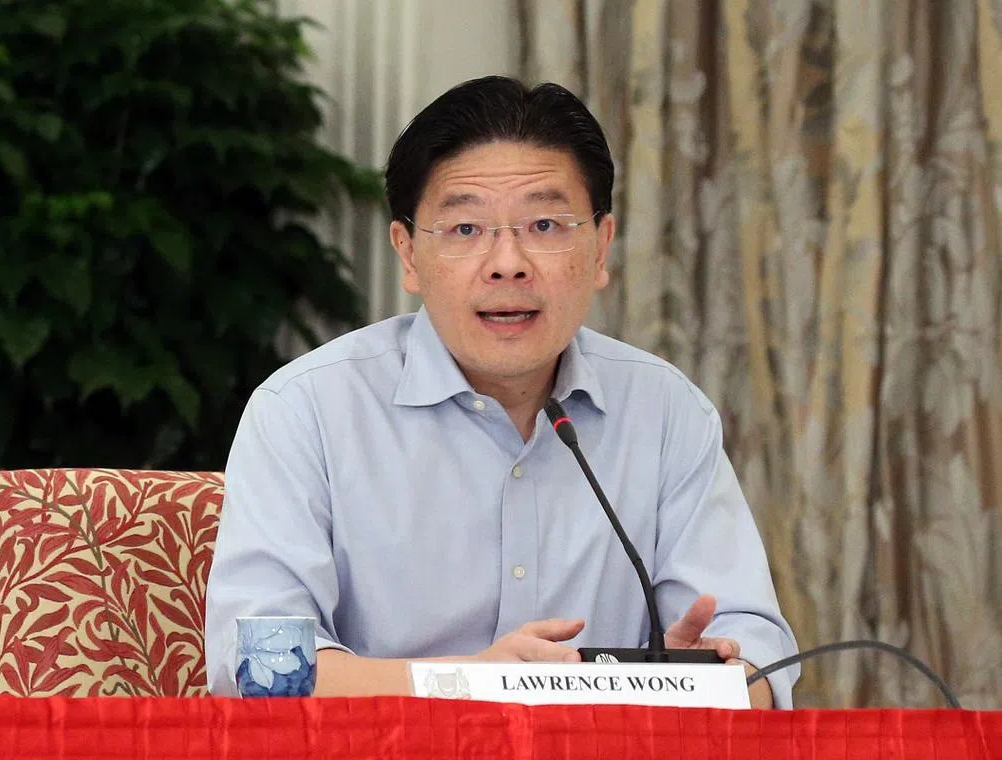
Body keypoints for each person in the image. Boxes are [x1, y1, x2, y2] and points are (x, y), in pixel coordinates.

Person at [205, 76, 799, 708]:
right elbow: (259, 669)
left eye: (545, 224)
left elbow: (759, 651)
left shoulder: (667, 411)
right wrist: (472, 684)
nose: (507, 262)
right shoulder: (306, 410)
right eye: (465, 229)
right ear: (408, 254)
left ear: (601, 246)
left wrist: (697, 684)